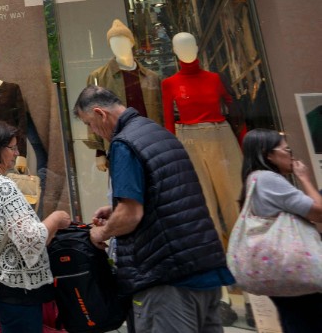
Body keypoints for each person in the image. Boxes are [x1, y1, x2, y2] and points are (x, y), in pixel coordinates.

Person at [74, 86, 232, 333]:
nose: (92, 131)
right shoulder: (156, 132)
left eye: (89, 124)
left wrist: (100, 233)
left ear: (100, 114)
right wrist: (116, 209)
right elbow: (167, 195)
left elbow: (131, 215)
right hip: (203, 267)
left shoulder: (124, 143)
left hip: (166, 278)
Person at [0, 119, 70, 332]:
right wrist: (56, 219)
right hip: (17, 290)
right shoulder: (2, 186)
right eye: (12, 148)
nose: (16, 153)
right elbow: (31, 239)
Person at [236, 129, 322, 332]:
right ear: (268, 154)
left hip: (281, 272)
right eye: (287, 150)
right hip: (294, 271)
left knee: (295, 318)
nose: (291, 155)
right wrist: (305, 178)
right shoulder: (267, 179)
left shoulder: (255, 179)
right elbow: (319, 212)